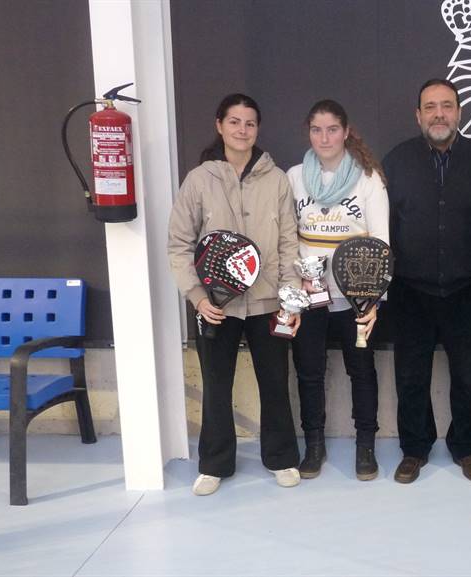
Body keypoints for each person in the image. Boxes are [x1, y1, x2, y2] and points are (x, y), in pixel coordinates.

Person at [168, 93, 303, 496]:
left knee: (275, 383)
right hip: (215, 304)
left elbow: (289, 244)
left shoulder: (276, 179)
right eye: (234, 122)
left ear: (258, 129)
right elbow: (179, 243)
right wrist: (197, 296)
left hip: (268, 302)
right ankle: (214, 464)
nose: (242, 130)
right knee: (215, 385)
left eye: (250, 123)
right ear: (219, 125)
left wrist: (290, 299)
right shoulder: (199, 179)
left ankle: (281, 458)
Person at [383, 79, 471, 484]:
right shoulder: (396, 161)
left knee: (467, 375)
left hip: (469, 288)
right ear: (418, 115)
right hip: (410, 289)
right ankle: (415, 449)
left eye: (447, 106)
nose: (439, 114)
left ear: (459, 112)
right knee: (411, 377)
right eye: (430, 107)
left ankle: (465, 448)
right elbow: (384, 226)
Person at [288, 99, 389, 482]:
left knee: (361, 372)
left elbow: (381, 243)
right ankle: (314, 445)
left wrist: (373, 299)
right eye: (316, 129)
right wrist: (293, 288)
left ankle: (366, 446)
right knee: (309, 373)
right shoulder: (294, 177)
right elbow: (286, 237)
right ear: (308, 133)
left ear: (346, 132)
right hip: (309, 296)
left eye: (332, 129)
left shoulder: (367, 178)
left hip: (356, 298)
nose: (324, 137)